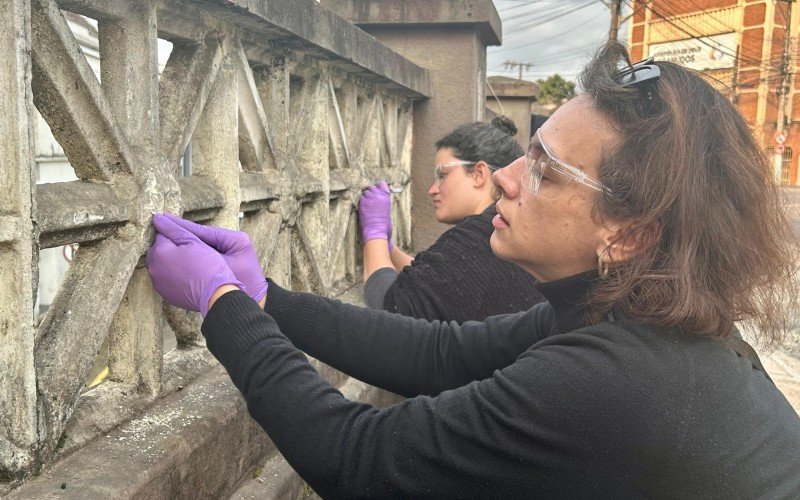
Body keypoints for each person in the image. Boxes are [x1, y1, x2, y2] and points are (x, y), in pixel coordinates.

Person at [147, 43, 800, 497]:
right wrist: (267, 300)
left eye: (544, 170)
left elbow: (359, 459)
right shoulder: (622, 316)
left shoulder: (622, 379)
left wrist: (222, 304)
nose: (510, 178)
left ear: (629, 233)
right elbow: (440, 352)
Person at [358, 117, 544, 322]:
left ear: (478, 174)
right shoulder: (506, 228)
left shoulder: (481, 236)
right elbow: (439, 281)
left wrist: (374, 234)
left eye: (442, 175)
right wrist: (388, 248)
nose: (432, 189)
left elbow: (390, 305)